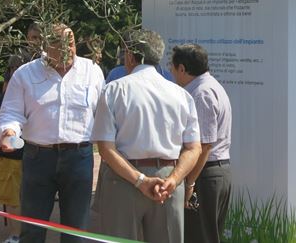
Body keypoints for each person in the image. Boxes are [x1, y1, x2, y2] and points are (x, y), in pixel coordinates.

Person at [0, 23, 105, 242]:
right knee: (32, 230)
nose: (67, 49)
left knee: (76, 231)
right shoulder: (25, 74)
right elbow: (11, 112)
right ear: (45, 45)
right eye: (60, 44)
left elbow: (103, 114)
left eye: (71, 43)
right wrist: (9, 131)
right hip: (37, 157)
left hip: (79, 157)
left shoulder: (92, 71)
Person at [92, 29, 201, 242]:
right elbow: (193, 147)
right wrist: (174, 179)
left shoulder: (114, 90)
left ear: (131, 56)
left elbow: (105, 147)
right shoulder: (182, 95)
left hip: (123, 178)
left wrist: (140, 180)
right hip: (168, 180)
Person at [172, 44, 233, 243]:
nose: (171, 72)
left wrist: (189, 183)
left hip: (205, 174)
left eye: (172, 67)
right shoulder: (209, 86)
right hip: (211, 172)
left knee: (200, 236)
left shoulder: (201, 93)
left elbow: (204, 145)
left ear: (182, 68)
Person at [0, 55, 28, 243]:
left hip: (13, 152)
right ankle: (18, 233)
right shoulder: (27, 85)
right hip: (18, 148)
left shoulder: (15, 89)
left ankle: (16, 235)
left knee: (13, 197)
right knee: (17, 196)